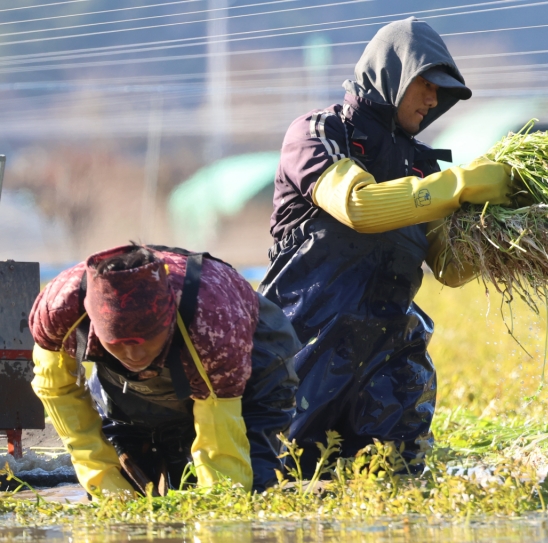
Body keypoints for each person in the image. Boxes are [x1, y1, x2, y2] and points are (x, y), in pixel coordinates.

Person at [258, 17, 513, 475]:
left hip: (388, 362)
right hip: (304, 348)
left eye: (442, 90)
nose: (434, 98)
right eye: (426, 82)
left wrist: (509, 233)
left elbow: (450, 267)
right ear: (392, 74)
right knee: (286, 477)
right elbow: (360, 208)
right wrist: (459, 184)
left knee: (398, 482)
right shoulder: (319, 135)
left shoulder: (421, 164)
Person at [29, 244, 301, 497]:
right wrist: (101, 476)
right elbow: (58, 391)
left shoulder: (213, 323)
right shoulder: (58, 309)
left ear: (167, 323)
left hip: (249, 356)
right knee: (128, 488)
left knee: (251, 485)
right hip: (139, 384)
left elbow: (221, 437)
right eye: (119, 345)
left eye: (143, 342)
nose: (134, 356)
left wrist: (221, 507)